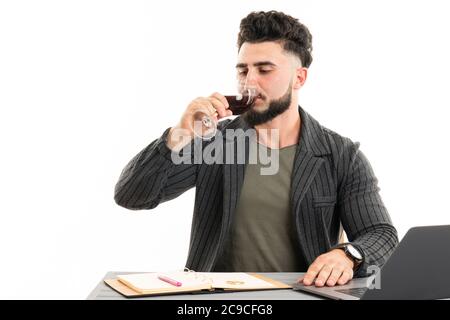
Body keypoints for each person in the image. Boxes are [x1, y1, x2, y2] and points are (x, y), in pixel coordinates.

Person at [114, 10, 398, 287]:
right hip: (216, 303)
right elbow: (132, 195)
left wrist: (347, 255)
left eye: (264, 70)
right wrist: (179, 134)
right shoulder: (214, 142)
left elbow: (381, 234)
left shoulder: (341, 155)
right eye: (243, 70)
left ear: (299, 78)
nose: (249, 81)